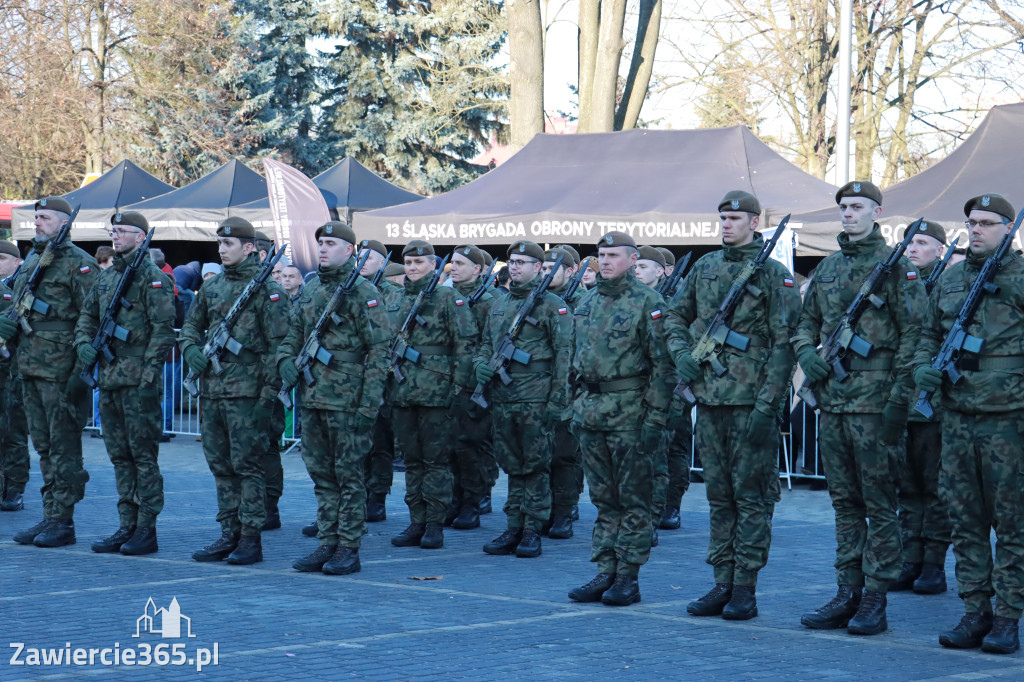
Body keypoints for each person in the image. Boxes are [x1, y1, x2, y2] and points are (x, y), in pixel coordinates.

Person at [794, 181, 924, 635]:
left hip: (875, 404)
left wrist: (898, 400)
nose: (848, 214)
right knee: (845, 504)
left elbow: (916, 335)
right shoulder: (827, 267)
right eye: (844, 207)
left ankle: (875, 598)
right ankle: (847, 591)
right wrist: (805, 352)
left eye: (857, 207)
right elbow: (804, 321)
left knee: (879, 504)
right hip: (834, 401)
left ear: (877, 212)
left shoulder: (896, 268)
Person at [666, 190, 801, 621]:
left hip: (750, 403)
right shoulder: (704, 267)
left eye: (735, 218)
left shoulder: (774, 276)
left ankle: (746, 587)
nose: (726, 224)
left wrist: (769, 405)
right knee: (720, 497)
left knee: (753, 498)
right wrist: (681, 352)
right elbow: (673, 315)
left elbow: (785, 346)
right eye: (722, 217)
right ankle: (721, 580)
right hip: (709, 400)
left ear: (754, 222)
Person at [914, 194, 1024, 654]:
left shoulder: (1019, 277)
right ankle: (975, 609)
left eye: (985, 223)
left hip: (1010, 421)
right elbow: (927, 333)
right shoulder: (953, 279)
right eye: (970, 222)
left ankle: (1006, 617)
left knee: (1013, 524)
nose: (976, 229)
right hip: (958, 418)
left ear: (1007, 228)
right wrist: (923, 366)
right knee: (965, 521)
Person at [277, 221, 390, 575]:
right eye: (321, 243)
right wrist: (284, 359)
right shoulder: (311, 291)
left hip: (349, 401)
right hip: (313, 398)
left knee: (349, 476)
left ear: (349, 250)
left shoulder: (362, 293)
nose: (323, 248)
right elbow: (293, 333)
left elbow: (380, 351)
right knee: (322, 476)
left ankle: (348, 547)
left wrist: (368, 405)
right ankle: (328, 540)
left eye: (330, 243)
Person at [567, 231, 673, 606]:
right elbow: (572, 359)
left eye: (613, 255)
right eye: (601, 255)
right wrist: (572, 405)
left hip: (630, 414)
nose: (606, 261)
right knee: (603, 499)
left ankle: (628, 576)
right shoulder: (586, 300)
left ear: (631, 260)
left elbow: (663, 366)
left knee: (633, 500)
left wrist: (656, 418)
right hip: (591, 413)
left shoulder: (649, 302)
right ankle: (604, 571)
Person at [178, 217, 289, 565]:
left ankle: (250, 538)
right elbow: (190, 327)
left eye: (229, 244)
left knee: (248, 466)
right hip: (214, 389)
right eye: (220, 245)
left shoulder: (268, 291)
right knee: (220, 466)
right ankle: (229, 532)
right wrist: (190, 350)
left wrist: (267, 398)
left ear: (249, 247)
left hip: (249, 394)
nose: (222, 250)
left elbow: (279, 348)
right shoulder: (211, 288)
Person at [74, 212, 176, 556]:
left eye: (123, 231)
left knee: (143, 457)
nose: (116, 237)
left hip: (138, 382)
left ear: (141, 236)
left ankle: (146, 528)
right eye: (113, 231)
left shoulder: (152, 278)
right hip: (110, 377)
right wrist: (83, 343)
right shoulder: (107, 278)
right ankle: (126, 524)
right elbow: (87, 316)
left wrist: (149, 380)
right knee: (120, 456)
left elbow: (163, 332)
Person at [0, 197, 97, 547]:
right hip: (28, 368)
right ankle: (49, 515)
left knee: (64, 448)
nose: (37, 223)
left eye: (45, 218)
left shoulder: (81, 265)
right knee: (43, 447)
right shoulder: (31, 263)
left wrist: (79, 372)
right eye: (36, 217)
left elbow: (92, 321)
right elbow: (17, 306)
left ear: (64, 223)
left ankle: (64, 521)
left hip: (60, 371)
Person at [476, 241, 570, 558]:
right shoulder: (499, 304)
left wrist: (557, 402)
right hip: (503, 399)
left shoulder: (551, 306)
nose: (515, 267)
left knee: (536, 467)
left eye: (522, 262)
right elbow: (485, 346)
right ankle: (514, 526)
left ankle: (532, 529)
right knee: (513, 467)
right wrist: (479, 366)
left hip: (536, 399)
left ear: (537, 268)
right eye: (512, 261)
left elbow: (564, 357)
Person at [387, 240, 477, 550]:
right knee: (412, 461)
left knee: (436, 462)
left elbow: (465, 345)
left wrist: (459, 389)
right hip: (403, 392)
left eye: (419, 263)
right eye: (408, 263)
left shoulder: (448, 297)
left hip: (438, 393)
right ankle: (417, 521)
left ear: (434, 266)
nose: (412, 268)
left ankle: (435, 524)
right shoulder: (397, 299)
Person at [892, 221, 951, 595]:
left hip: (934, 406)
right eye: (909, 243)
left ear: (940, 250)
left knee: (935, 487)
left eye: (922, 243)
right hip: (901, 399)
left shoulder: (949, 286)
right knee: (906, 486)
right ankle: (909, 558)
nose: (913, 249)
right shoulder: (899, 285)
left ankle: (933, 564)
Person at [446, 243, 496, 530]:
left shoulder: (488, 302)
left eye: (461, 263)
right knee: (450, 447)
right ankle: (455, 498)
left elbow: (490, 342)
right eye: (453, 262)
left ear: (477, 269)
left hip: (471, 384)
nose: (454, 268)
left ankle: (472, 503)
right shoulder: (445, 297)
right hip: (446, 383)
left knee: (470, 447)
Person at [357, 239, 400, 524]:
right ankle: (352, 499)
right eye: (358, 256)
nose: (361, 261)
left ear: (383, 262)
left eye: (368, 257)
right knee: (351, 443)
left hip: (381, 376)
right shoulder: (348, 290)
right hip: (348, 377)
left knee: (380, 443)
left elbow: (390, 333)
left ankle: (377, 497)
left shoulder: (392, 293)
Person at [542, 247, 584, 538]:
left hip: (570, 388)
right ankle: (543, 511)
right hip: (537, 388)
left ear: (570, 271)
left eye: (551, 268)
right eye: (542, 268)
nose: (545, 273)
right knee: (539, 456)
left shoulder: (583, 302)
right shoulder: (538, 301)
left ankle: (563, 513)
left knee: (564, 456)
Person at [0, 240, 29, 512]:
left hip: (11, 371)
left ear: (15, 261)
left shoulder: (16, 289)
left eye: (1, 258)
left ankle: (15, 488)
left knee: (13, 432)